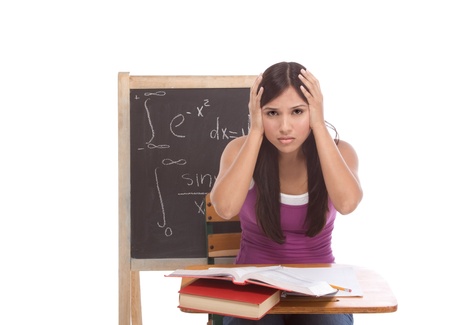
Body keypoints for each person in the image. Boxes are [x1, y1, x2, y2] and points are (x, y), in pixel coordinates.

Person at [209, 61, 363, 325]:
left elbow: (348, 203)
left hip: (319, 287)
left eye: (297, 112)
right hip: (252, 285)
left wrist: (319, 126)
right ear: (258, 113)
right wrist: (256, 132)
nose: (284, 127)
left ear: (313, 111)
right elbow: (224, 208)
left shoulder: (341, 152)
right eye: (272, 113)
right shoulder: (239, 151)